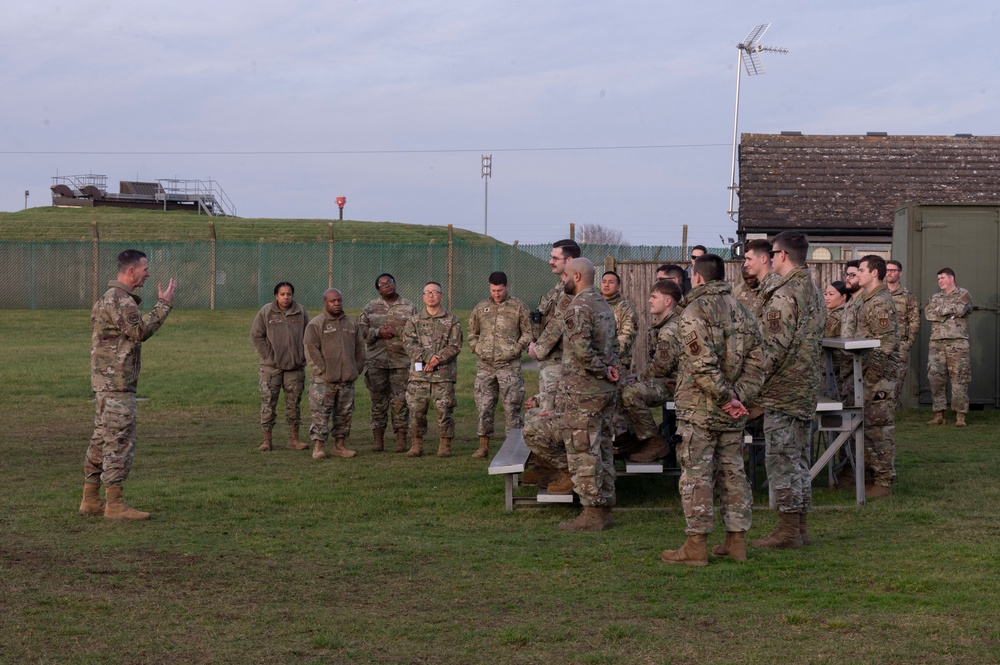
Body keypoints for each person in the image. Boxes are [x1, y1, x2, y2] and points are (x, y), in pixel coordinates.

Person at [660, 254, 765, 566]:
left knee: (697, 475)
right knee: (733, 473)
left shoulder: (693, 311)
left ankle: (696, 546)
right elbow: (758, 363)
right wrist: (738, 397)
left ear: (699, 278)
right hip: (733, 409)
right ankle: (736, 542)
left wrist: (724, 398)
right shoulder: (743, 311)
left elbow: (701, 364)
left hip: (701, 410)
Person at [81, 249, 176, 521]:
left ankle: (90, 499)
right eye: (145, 268)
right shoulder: (121, 300)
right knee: (119, 441)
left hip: (105, 384)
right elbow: (139, 332)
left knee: (101, 439)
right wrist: (163, 304)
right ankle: (114, 504)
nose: (148, 273)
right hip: (117, 385)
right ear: (131, 271)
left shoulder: (107, 298)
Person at [750, 232, 826, 550]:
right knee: (797, 459)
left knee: (782, 459)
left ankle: (787, 531)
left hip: (784, 387)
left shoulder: (786, 294)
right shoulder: (813, 289)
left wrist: (748, 381)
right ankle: (800, 527)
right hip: (806, 384)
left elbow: (771, 349)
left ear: (781, 255)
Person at [545, 258, 620, 531]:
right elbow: (613, 347)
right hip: (604, 391)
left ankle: (591, 514)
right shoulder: (604, 305)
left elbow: (582, 350)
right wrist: (611, 371)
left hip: (584, 391)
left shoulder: (577, 307)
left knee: (583, 452)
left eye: (565, 275)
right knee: (603, 449)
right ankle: (605, 507)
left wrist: (601, 371)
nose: (562, 279)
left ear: (576, 277)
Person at [841, 255, 899, 497]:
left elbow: (884, 346)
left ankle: (884, 481)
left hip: (877, 376)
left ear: (874, 273)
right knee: (864, 427)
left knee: (879, 428)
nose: (858, 274)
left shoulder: (880, 303)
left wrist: (872, 379)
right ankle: (866, 475)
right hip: (862, 374)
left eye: (862, 270)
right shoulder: (865, 300)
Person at [467, 271, 532, 459]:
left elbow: (527, 333)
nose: (497, 294)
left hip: (509, 366)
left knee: (512, 406)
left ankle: (512, 447)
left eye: (500, 290)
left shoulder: (518, 307)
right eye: (493, 290)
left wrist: (516, 349)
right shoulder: (481, 308)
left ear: (507, 286)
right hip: (485, 366)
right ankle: (483, 446)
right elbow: (472, 333)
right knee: (484, 406)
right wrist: (478, 348)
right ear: (489, 287)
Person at [622, 279, 683, 463]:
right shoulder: (664, 325)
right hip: (666, 380)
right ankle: (635, 439)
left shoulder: (670, 330)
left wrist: (638, 379)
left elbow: (661, 367)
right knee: (622, 386)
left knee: (630, 393)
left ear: (667, 301)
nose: (649, 300)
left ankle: (654, 442)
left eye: (653, 297)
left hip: (677, 386)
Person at [358, 273, 418, 452]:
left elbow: (417, 332)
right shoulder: (370, 307)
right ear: (378, 289)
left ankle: (401, 438)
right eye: (382, 284)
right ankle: (378, 439)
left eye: (390, 282)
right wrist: (378, 332)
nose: (387, 286)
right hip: (376, 363)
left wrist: (397, 331)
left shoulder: (409, 307)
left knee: (400, 402)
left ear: (395, 283)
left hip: (401, 363)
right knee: (378, 402)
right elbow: (360, 331)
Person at [403, 281, 463, 458]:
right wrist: (428, 357)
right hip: (419, 375)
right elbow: (408, 344)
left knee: (444, 410)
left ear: (441, 296)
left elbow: (455, 345)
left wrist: (438, 358)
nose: (431, 295)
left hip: (443, 375)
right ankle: (416, 444)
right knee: (416, 411)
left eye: (435, 292)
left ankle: (445, 444)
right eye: (427, 292)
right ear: (423, 297)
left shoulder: (452, 320)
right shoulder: (414, 321)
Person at [304, 288, 366, 460]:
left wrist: (357, 368)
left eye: (339, 300)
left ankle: (339, 446)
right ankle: (318, 447)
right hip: (324, 381)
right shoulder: (316, 324)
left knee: (344, 414)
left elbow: (360, 348)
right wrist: (323, 370)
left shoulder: (351, 324)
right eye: (333, 301)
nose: (337, 304)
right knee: (320, 413)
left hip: (347, 380)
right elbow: (311, 349)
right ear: (325, 302)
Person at [250, 282, 310, 452]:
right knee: (268, 402)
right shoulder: (266, 312)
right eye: (282, 294)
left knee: (294, 404)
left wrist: (302, 355)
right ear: (276, 296)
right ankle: (267, 440)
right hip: (271, 368)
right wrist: (268, 355)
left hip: (294, 367)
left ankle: (294, 439)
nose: (286, 297)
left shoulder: (301, 312)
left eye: (289, 294)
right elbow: (256, 335)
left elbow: (309, 336)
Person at [530, 239, 581, 395]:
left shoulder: (573, 289)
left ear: (570, 260)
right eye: (551, 257)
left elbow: (559, 323)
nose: (551, 262)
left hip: (561, 364)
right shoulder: (558, 288)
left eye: (555, 258)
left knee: (553, 414)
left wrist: (537, 349)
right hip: (550, 362)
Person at [925, 268, 973, 427]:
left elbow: (960, 309)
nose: (940, 281)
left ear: (951, 278)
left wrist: (942, 311)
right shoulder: (935, 297)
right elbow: (928, 314)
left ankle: (960, 416)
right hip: (937, 342)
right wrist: (949, 314)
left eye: (942, 278)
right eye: (938, 278)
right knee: (935, 378)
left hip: (957, 342)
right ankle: (939, 415)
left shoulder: (963, 294)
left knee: (959, 378)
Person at [885, 260, 921, 407]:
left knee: (898, 378)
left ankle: (893, 409)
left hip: (900, 345)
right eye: (887, 270)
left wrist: (908, 343)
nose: (889, 273)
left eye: (893, 270)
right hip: (879, 344)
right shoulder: (879, 294)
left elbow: (915, 321)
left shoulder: (908, 296)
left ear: (900, 273)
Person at [600, 270, 639, 371]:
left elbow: (626, 339)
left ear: (618, 286)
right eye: (604, 282)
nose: (606, 285)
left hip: (617, 363)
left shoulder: (626, 309)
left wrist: (606, 358)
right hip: (595, 362)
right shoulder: (594, 305)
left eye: (611, 282)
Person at [824, 281, 853, 401]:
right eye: (825, 294)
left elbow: (824, 335)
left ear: (843, 297)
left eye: (831, 294)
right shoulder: (842, 311)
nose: (827, 298)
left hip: (835, 364)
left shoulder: (837, 315)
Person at [741, 239, 780, 317]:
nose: (745, 264)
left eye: (749, 259)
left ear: (763, 259)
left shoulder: (774, 287)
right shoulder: (763, 287)